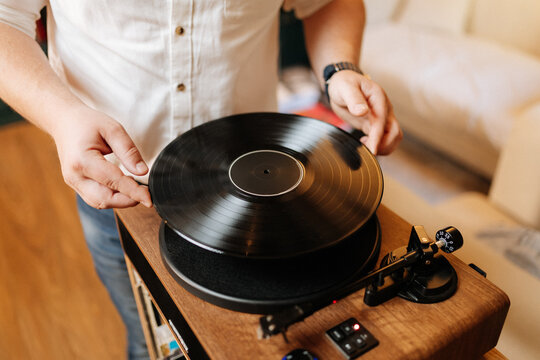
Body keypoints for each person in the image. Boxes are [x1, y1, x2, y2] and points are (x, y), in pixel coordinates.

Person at [0, 0, 402, 358]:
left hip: (265, 201)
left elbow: (328, 3)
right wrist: (63, 117)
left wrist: (340, 70)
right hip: (119, 191)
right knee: (149, 343)